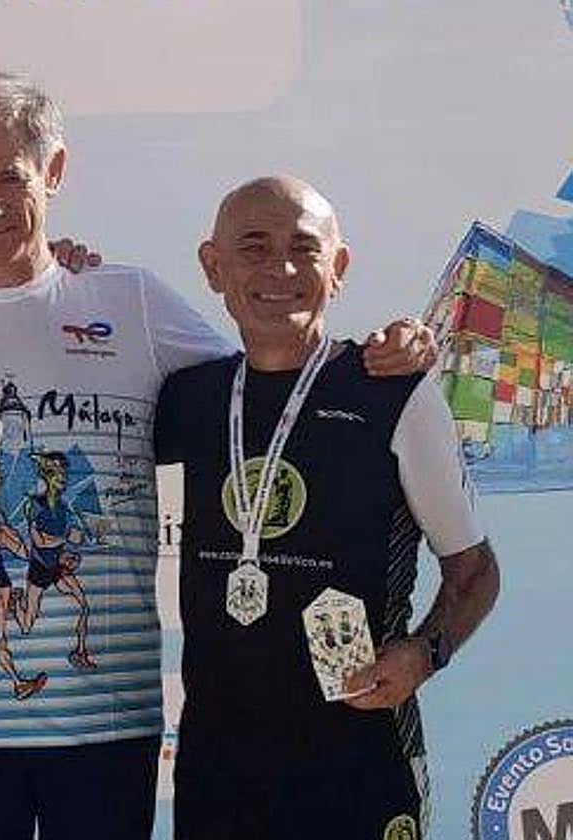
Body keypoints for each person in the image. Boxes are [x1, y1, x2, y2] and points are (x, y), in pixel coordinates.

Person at [0, 72, 437, 840]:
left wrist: (396, 349)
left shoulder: (130, 301)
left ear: (53, 171)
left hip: (111, 727)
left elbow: (274, 380)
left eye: (11, 178)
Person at [153, 175, 500, 839]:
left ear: (337, 267)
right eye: (254, 248)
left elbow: (476, 571)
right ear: (213, 266)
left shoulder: (394, 394)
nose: (280, 269)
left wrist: (426, 651)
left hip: (358, 764)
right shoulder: (183, 400)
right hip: (217, 772)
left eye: (304, 249)